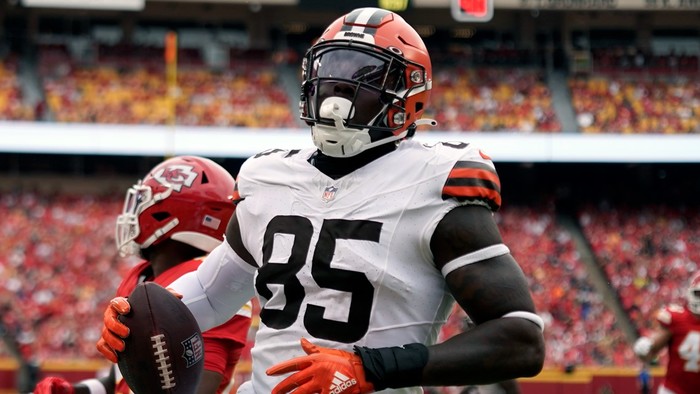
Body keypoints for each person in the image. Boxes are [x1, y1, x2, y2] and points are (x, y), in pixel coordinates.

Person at [98, 7, 545, 394]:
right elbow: (212, 294)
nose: (336, 89)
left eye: (361, 77)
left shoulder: (435, 181)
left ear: (407, 94)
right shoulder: (268, 176)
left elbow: (520, 338)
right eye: (332, 70)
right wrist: (138, 315)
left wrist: (369, 367)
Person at [34, 156, 252, 394]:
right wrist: (75, 391)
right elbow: (119, 381)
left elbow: (186, 389)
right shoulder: (142, 278)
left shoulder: (209, 282)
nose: (134, 211)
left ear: (169, 213)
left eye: (143, 201)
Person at [633, 272, 700, 394]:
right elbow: (652, 351)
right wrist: (645, 349)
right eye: (699, 293)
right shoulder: (677, 319)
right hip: (673, 390)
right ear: (691, 293)